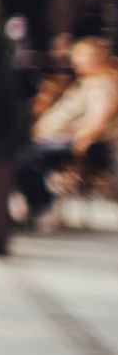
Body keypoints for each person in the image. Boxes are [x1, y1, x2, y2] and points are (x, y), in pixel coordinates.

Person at [13, 35, 118, 227]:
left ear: (94, 58)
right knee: (25, 153)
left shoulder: (102, 85)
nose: (75, 62)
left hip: (80, 145)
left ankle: (40, 203)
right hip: (63, 140)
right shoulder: (89, 83)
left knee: (26, 155)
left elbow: (97, 120)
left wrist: (74, 139)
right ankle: (38, 202)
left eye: (80, 56)